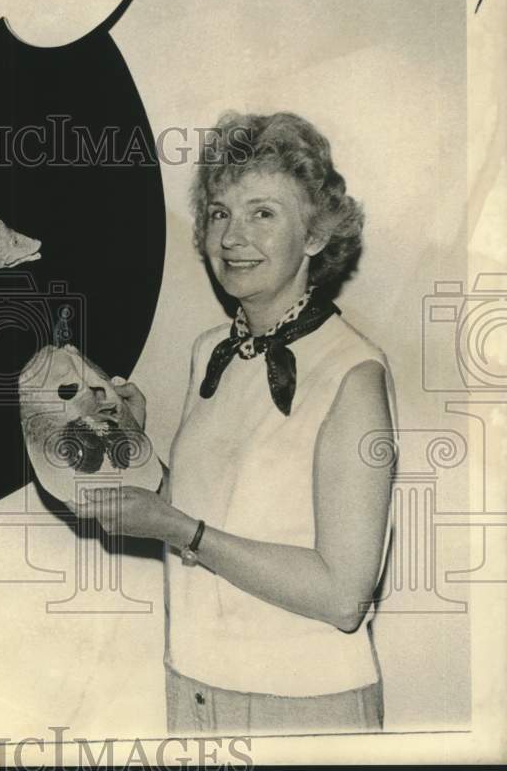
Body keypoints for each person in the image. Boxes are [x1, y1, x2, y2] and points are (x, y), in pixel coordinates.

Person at [79, 111, 397, 735]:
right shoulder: (209, 351)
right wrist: (133, 445)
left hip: (304, 708)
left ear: (314, 234)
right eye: (220, 212)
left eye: (262, 213)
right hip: (194, 687)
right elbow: (209, 508)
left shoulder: (354, 375)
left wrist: (184, 531)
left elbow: (344, 597)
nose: (231, 237)